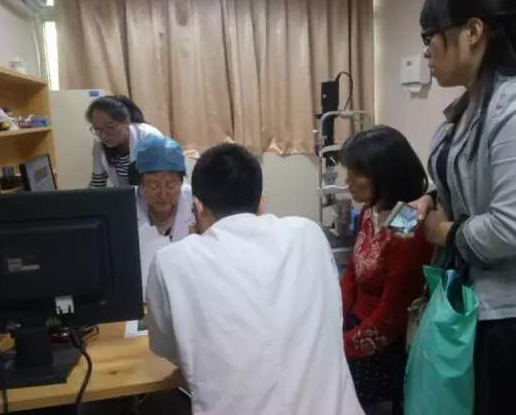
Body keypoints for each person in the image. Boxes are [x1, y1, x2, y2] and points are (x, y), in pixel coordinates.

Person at [411, 0, 516, 415]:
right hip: (476, 307)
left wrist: (442, 232)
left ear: (473, 31)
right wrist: (431, 198)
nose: (425, 51)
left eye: (430, 36)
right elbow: (462, 176)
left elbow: (513, 230)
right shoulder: (469, 105)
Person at [145, 143, 362, 415]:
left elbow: (164, 346)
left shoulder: (171, 261)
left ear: (197, 206)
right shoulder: (309, 234)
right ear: (261, 201)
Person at [339, 126, 433, 414]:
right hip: (357, 325)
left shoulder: (406, 221)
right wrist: (336, 318)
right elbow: (353, 272)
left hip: (384, 344)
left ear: (385, 175)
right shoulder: (370, 210)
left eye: (356, 173)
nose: (347, 180)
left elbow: (393, 314)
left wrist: (343, 345)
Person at [133, 134, 194, 297]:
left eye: (171, 185)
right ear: (141, 184)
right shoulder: (127, 206)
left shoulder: (196, 202)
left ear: (182, 182)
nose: (162, 194)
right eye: (153, 186)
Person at [86, 95, 162, 188]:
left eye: (110, 127)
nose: (103, 135)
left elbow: (160, 182)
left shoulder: (149, 137)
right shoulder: (100, 145)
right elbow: (97, 183)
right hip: (125, 195)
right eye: (97, 129)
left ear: (127, 122)